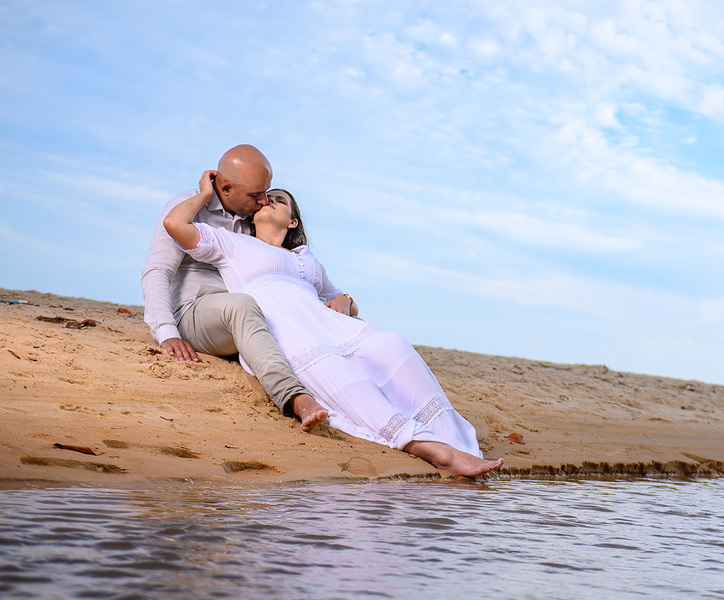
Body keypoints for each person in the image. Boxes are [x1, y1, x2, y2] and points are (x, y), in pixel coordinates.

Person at [162, 172, 504, 478]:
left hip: (332, 327)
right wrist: (204, 196)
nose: (268, 202)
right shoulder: (233, 245)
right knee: (345, 377)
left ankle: (454, 440)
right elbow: (176, 224)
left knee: (393, 345)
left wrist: (345, 300)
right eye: (265, 199)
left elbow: (340, 298)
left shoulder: (307, 259)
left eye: (279, 200)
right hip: (288, 332)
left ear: (293, 222)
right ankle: (431, 450)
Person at [142, 145, 328, 430]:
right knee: (241, 305)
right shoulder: (187, 207)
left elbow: (293, 269)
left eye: (266, 191)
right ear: (225, 188)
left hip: (251, 316)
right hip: (198, 313)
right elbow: (158, 270)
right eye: (255, 195)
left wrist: (340, 298)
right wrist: (167, 333)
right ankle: (295, 397)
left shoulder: (255, 218)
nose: (263, 201)